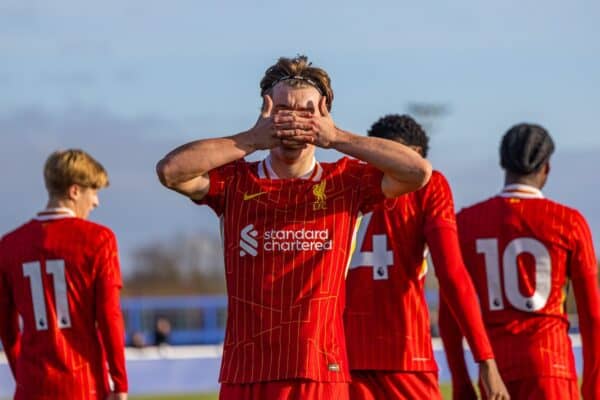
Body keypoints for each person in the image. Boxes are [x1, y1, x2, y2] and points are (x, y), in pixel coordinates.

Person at [156, 55, 432, 400]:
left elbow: (417, 172)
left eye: (306, 111)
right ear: (266, 111)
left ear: (323, 113)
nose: (294, 121)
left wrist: (336, 137)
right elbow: (170, 171)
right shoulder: (236, 182)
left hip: (320, 371)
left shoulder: (346, 182)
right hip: (247, 371)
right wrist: (251, 139)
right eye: (284, 108)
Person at [344, 114, 508, 400]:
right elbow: (451, 273)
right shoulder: (429, 184)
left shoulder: (342, 183)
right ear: (418, 157)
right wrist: (486, 360)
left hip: (340, 356)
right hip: (406, 356)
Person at [439, 123, 600, 399]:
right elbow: (592, 317)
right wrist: (594, 389)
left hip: (495, 373)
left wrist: (462, 382)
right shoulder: (570, 223)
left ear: (503, 163)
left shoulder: (466, 222)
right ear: (546, 168)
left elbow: (449, 315)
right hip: (552, 367)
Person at [0, 149, 128, 400]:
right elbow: (109, 316)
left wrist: (24, 375)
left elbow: (6, 327)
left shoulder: (8, 245)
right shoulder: (99, 240)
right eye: (94, 191)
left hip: (31, 387)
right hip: (84, 385)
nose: (96, 202)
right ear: (75, 191)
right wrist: (120, 383)